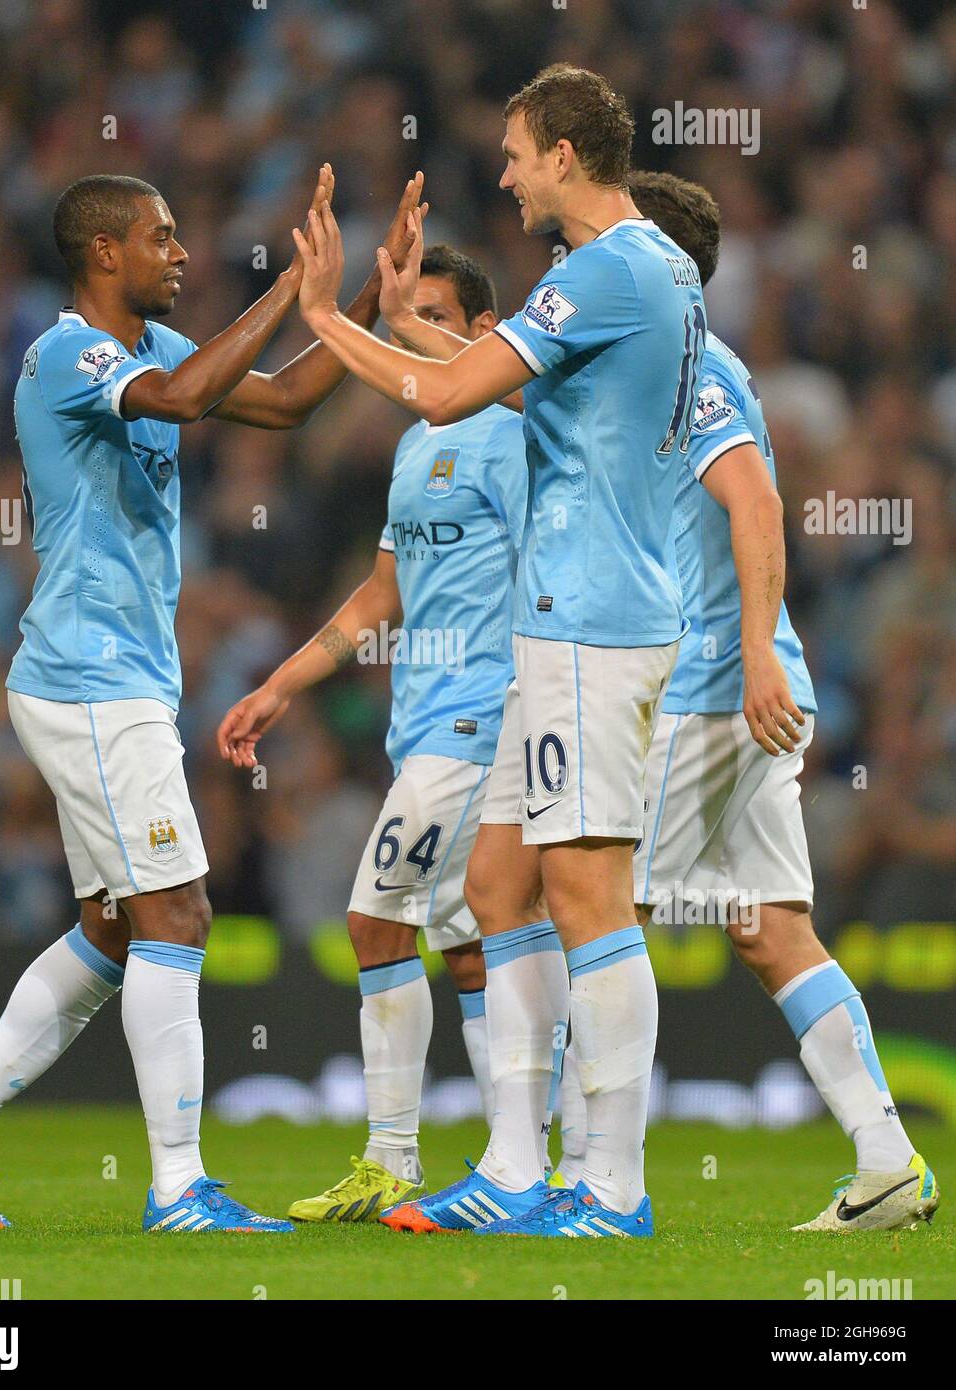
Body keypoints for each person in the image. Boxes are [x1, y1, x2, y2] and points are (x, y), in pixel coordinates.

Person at [0, 167, 426, 1235]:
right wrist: (288, 289)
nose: (181, 253)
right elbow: (184, 404)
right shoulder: (67, 356)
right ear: (103, 252)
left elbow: (278, 399)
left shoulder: (155, 350)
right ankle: (181, 1187)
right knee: (179, 910)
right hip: (90, 680)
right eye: (162, 236)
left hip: (116, 681)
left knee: (116, 926)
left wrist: (354, 297)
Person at [288, 65, 707, 1236]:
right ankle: (516, 1170)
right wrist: (403, 321)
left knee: (586, 893)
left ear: (566, 154)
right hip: (566, 626)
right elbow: (534, 397)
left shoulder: (610, 268)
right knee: (495, 884)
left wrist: (330, 322)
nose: (508, 173)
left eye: (518, 152)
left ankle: (609, 1187)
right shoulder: (647, 272)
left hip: (593, 619)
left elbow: (448, 394)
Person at [545, 170, 938, 1235]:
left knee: (595, 904)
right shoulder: (648, 370)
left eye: (599, 242)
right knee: (769, 930)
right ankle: (889, 1160)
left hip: (713, 689)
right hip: (732, 685)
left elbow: (757, 501)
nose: (577, 259)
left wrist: (759, 650)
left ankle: (591, 1181)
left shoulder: (696, 371)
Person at [217, 244, 529, 1221]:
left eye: (430, 316)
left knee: (373, 914)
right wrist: (284, 683)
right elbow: (380, 597)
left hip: (483, 717)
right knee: (465, 942)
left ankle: (394, 1156)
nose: (410, 334)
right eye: (403, 315)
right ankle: (518, 1164)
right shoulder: (416, 445)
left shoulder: (513, 439)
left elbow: (553, 575)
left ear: (484, 333)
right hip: (422, 717)